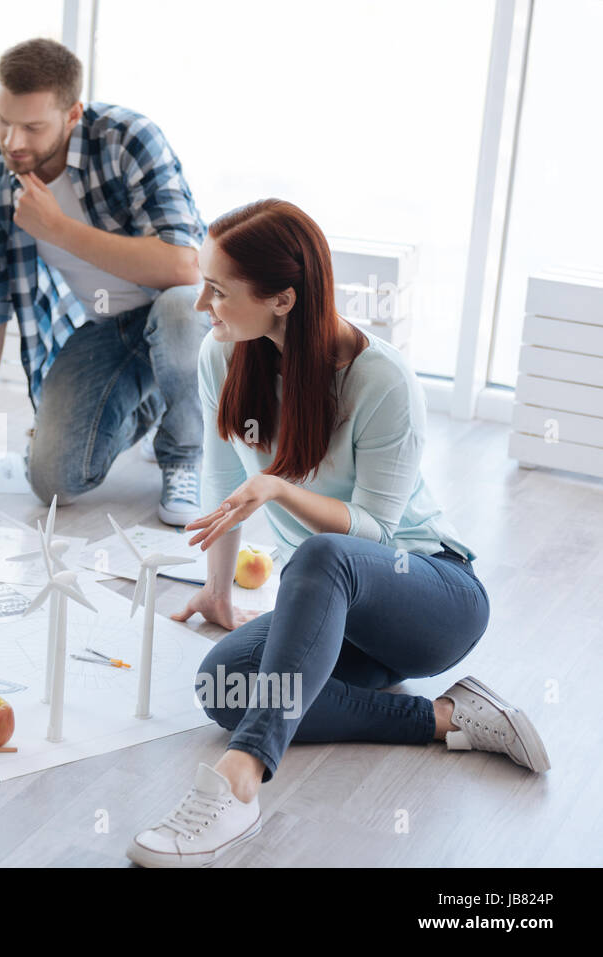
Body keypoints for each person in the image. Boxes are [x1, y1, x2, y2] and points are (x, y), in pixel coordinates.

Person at [125, 199, 550, 869]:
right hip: (333, 610)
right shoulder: (224, 353)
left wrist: (279, 488)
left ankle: (240, 780)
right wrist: (216, 589)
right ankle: (448, 720)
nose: (202, 299)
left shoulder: (382, 379)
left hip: (427, 595)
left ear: (283, 298)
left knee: (321, 558)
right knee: (223, 683)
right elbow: (218, 481)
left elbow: (377, 535)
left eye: (218, 289)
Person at [0, 38, 209, 525]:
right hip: (103, 331)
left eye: (32, 127)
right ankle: (150, 398)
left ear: (72, 114)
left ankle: (183, 454)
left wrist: (58, 229)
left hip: (176, 314)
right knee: (52, 483)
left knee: (181, 308)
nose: (14, 141)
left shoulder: (128, 138)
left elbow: (186, 267)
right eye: (2, 121)